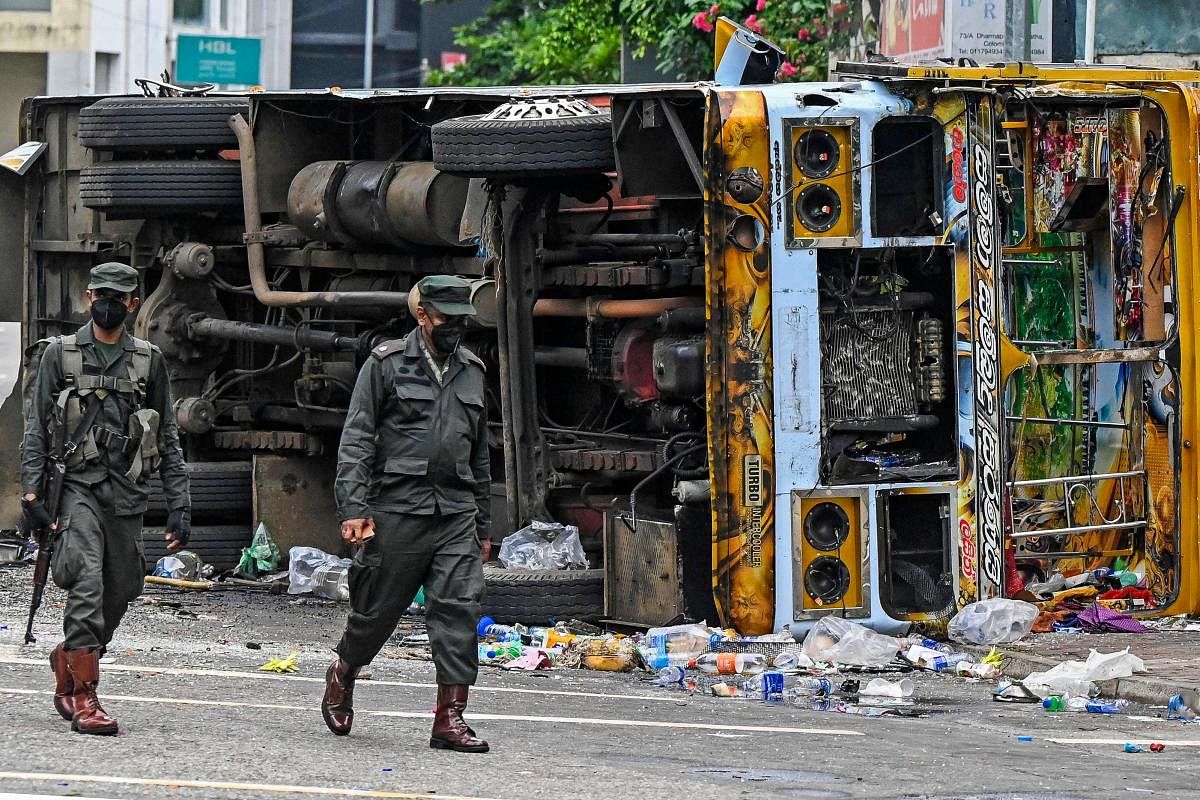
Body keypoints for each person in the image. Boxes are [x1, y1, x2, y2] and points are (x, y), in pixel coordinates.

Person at [19, 262, 191, 735]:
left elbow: (169, 433)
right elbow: (36, 428)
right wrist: (31, 491)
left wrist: (179, 501)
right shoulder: (61, 354)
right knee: (87, 581)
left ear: (134, 304)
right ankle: (84, 696)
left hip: (128, 491)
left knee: (124, 586)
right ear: (89, 298)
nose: (108, 304)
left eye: (119, 297)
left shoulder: (148, 360)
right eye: (100, 295)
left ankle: (71, 658)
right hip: (76, 487)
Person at [323, 274, 492, 753]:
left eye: (462, 321)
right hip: (398, 508)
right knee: (376, 611)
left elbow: (480, 453)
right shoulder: (387, 364)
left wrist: (483, 523)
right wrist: (353, 507)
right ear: (423, 316)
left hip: (455, 511)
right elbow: (356, 439)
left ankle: (450, 719)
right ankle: (344, 670)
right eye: (445, 320)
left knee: (459, 608)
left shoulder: (473, 371)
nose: (454, 329)